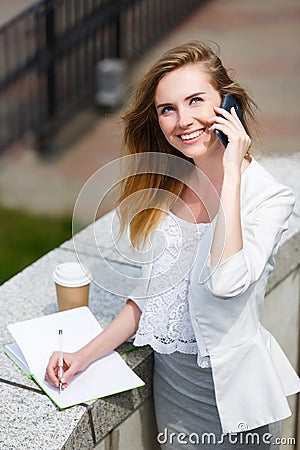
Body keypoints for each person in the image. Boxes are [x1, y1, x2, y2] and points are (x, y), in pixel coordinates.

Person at [45, 41, 300, 449]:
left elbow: (226, 281)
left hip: (231, 404)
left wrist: (231, 173)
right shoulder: (171, 186)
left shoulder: (269, 198)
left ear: (227, 103)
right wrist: (83, 356)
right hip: (173, 392)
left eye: (196, 100)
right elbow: (149, 297)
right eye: (168, 109)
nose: (183, 121)